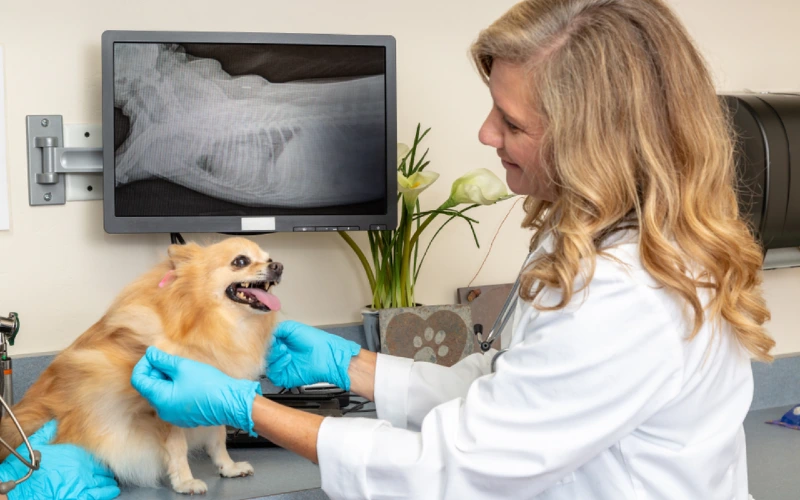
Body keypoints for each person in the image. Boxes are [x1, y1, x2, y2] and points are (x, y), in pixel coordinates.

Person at [19, 0, 774, 498]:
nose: (485, 136)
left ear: (593, 139)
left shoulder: (629, 296)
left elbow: (456, 467)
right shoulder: (596, 243)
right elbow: (504, 389)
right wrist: (351, 363)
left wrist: (247, 405)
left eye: (510, 123)